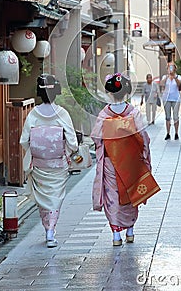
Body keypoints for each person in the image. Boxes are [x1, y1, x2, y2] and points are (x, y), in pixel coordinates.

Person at [91, 73, 160, 246]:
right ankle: (130, 230)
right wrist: (142, 152)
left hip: (111, 162)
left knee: (112, 196)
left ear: (110, 93)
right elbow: (143, 136)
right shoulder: (133, 112)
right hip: (131, 161)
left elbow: (97, 137)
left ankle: (116, 234)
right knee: (130, 194)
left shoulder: (104, 114)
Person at [20, 74, 79, 248]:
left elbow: (24, 140)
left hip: (39, 164)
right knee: (55, 198)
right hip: (57, 164)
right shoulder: (62, 113)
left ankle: (48, 229)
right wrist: (63, 152)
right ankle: (51, 231)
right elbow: (73, 142)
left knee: (44, 199)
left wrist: (38, 151)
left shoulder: (33, 114)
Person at [161, 62, 181, 140]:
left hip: (175, 98)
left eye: (172, 67)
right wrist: (168, 76)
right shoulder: (165, 77)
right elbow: (162, 84)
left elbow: (179, 84)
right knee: (167, 117)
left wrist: (174, 77)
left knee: (176, 116)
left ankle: (176, 133)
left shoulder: (178, 76)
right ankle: (168, 133)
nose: (171, 69)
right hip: (166, 99)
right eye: (169, 67)